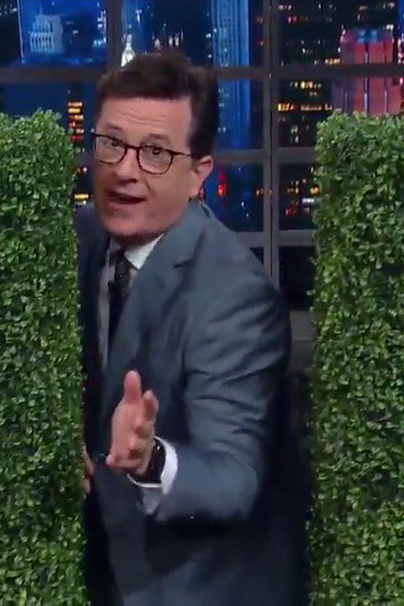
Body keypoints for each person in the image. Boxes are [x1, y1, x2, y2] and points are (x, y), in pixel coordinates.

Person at [75, 52, 308, 605]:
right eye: (111, 144)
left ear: (200, 171)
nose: (125, 170)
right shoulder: (78, 238)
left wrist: (149, 458)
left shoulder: (233, 294)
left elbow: (232, 479)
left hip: (195, 589)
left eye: (155, 153)